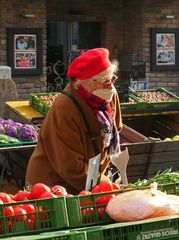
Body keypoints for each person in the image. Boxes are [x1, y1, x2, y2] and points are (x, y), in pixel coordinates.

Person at [25, 48, 123, 194]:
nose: (109, 85)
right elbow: (70, 166)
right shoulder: (64, 108)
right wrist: (104, 185)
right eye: (103, 81)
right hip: (53, 184)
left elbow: (116, 128)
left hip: (92, 177)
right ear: (82, 83)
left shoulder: (110, 94)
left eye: (111, 79)